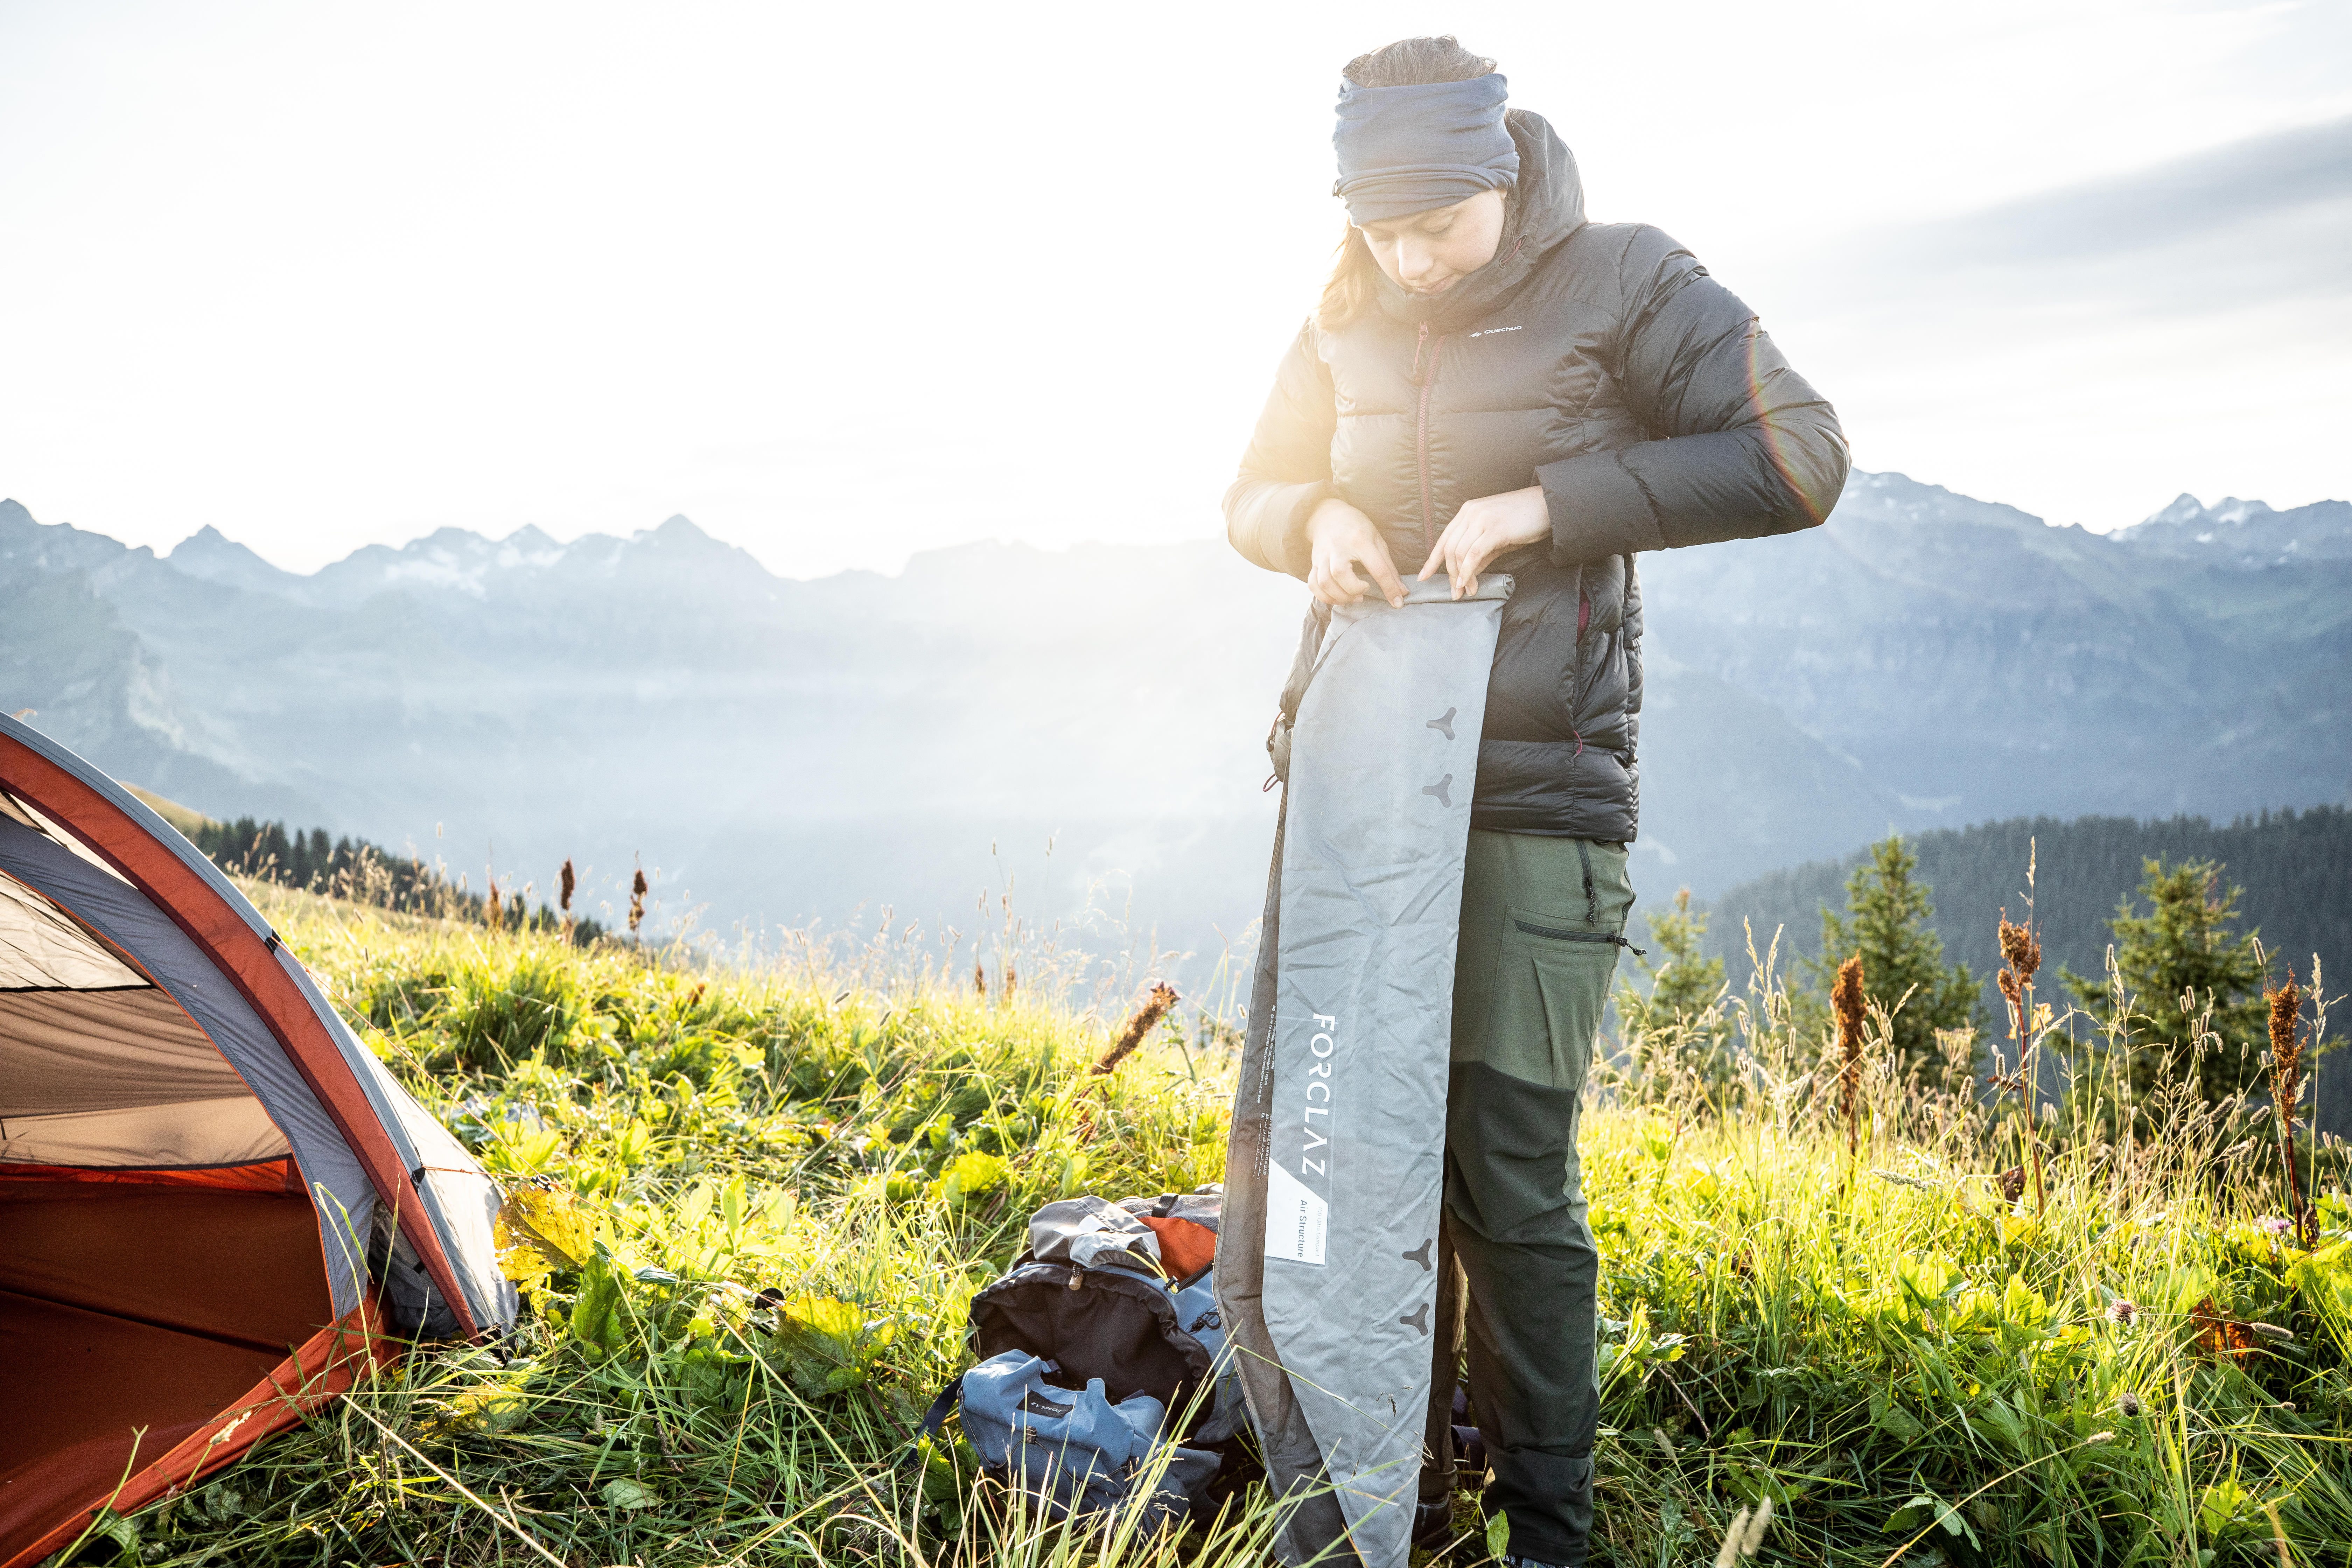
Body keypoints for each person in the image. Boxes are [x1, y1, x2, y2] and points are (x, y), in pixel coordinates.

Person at [1223, 35, 1849, 1568]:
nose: (1410, 257)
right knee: (1349, 1166)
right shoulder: (1346, 305)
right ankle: (1388, 1504)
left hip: (1536, 798)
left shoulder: (1625, 281)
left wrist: (1552, 504)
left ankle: (1551, 1535)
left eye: (1436, 224)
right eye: (1381, 227)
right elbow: (1246, 492)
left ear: (1501, 176)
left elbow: (1803, 456)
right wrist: (1316, 516)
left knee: (1506, 1177)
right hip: (1362, 797)